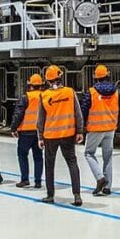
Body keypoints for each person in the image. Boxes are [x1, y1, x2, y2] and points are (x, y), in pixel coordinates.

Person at [38, 65, 83, 206]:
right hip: (68, 134)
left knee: (49, 165)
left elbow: (40, 119)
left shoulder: (44, 95)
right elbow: (78, 113)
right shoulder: (70, 92)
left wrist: (40, 136)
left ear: (47, 80)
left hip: (50, 136)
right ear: (60, 77)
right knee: (72, 162)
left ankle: (50, 195)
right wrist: (80, 131)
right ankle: (77, 195)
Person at [81, 64, 120, 196]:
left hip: (95, 129)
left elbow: (84, 110)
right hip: (110, 128)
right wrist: (117, 123)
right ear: (108, 75)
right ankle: (107, 187)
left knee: (89, 153)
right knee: (108, 157)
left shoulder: (92, 92)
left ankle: (100, 178)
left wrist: (84, 125)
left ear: (95, 77)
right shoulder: (116, 92)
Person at [10, 73, 45, 189]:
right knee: (38, 157)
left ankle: (25, 179)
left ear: (30, 85)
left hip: (25, 132)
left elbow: (18, 114)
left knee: (22, 155)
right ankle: (38, 181)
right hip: (39, 132)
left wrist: (13, 128)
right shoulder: (44, 96)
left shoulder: (25, 97)